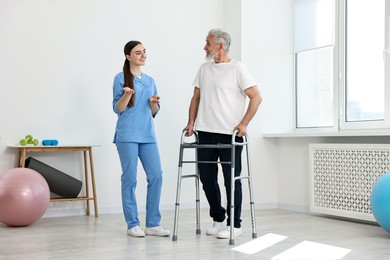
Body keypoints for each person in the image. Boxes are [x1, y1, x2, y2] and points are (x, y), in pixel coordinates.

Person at [183, 29, 262, 239]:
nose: (204, 47)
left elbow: (256, 97)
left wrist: (244, 123)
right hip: (205, 132)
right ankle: (218, 218)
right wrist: (191, 122)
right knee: (207, 179)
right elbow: (195, 97)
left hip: (230, 134)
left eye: (208, 43)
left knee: (231, 180)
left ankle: (234, 224)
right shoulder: (204, 69)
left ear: (220, 45)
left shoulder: (238, 68)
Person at [112, 40, 170, 238]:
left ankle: (153, 223)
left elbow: (154, 112)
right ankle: (132, 224)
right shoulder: (120, 78)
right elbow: (118, 108)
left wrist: (153, 103)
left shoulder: (150, 80)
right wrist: (127, 94)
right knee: (130, 179)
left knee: (157, 176)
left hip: (147, 135)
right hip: (127, 135)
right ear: (128, 56)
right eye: (138, 53)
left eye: (144, 52)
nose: (143, 55)